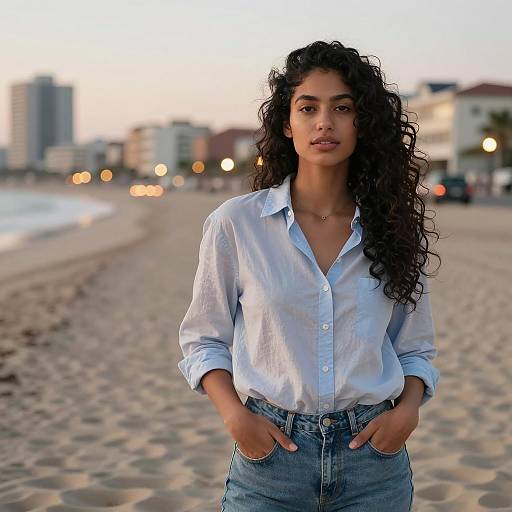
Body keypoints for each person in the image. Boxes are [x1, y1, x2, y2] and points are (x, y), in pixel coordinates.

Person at [177, 40, 441, 512]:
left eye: (342, 107)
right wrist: (236, 418)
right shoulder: (237, 224)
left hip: (374, 460)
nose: (325, 122)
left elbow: (415, 347)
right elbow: (203, 339)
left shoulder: (392, 227)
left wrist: (406, 414)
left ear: (363, 122)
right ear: (287, 123)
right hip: (270, 459)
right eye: (308, 107)